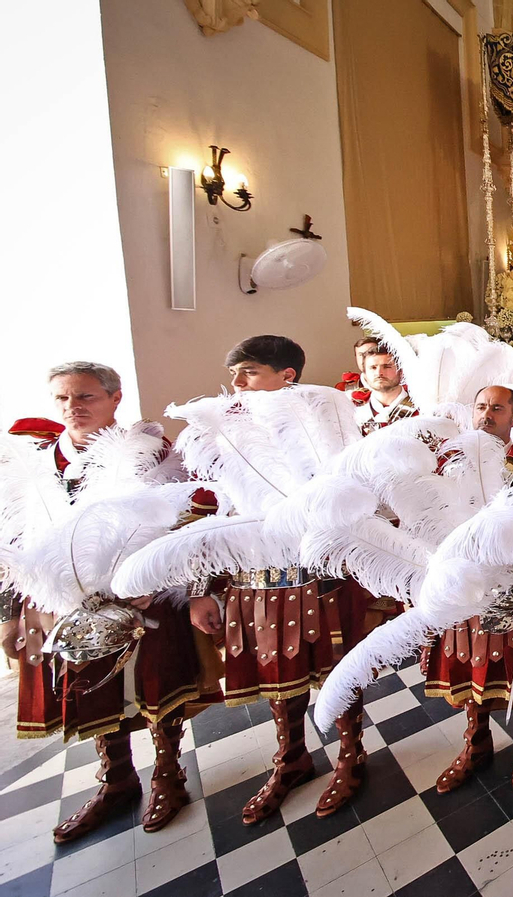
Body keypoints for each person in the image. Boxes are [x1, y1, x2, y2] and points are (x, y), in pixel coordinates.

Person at [2, 362, 218, 843]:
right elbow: (13, 538)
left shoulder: (152, 453)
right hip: (63, 603)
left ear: (115, 398)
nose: (72, 408)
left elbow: (192, 525)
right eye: (62, 399)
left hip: (146, 595)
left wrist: (188, 587)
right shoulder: (38, 461)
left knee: (159, 686)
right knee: (90, 691)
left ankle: (169, 774)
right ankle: (117, 779)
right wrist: (10, 614)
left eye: (85, 397)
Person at [186, 335, 378, 824]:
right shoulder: (225, 430)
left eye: (248, 371)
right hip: (254, 576)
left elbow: (356, 493)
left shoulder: (326, 421)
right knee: (276, 673)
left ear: (286, 376)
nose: (236, 383)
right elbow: (216, 511)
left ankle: (350, 755)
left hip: (320, 573)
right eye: (236, 373)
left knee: (341, 669)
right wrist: (203, 588)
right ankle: (290, 756)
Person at [421, 385, 513, 793]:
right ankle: (475, 743)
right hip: (461, 588)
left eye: (497, 408)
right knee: (470, 667)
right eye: (481, 407)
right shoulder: (447, 462)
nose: (486, 415)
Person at [352, 348, 417, 435]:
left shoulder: (422, 409)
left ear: (401, 372)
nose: (379, 373)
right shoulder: (352, 412)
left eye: (387, 367)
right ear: (365, 375)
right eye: (373, 367)